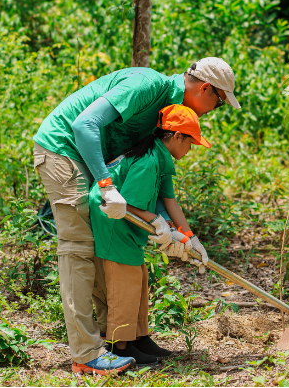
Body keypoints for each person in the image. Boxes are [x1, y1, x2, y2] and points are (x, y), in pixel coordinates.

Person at [33, 57, 240, 375]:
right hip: (64, 150)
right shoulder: (147, 85)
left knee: (102, 246)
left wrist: (180, 233)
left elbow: (145, 178)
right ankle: (86, 354)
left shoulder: (165, 115)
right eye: (220, 102)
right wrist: (106, 185)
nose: (215, 109)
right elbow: (82, 125)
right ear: (205, 88)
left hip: (92, 161)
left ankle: (117, 342)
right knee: (78, 250)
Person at [89, 104, 211, 366]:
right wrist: (156, 221)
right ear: (177, 137)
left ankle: (139, 338)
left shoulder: (161, 157)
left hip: (126, 220)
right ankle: (120, 347)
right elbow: (128, 203)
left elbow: (169, 200)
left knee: (140, 275)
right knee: (125, 279)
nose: (191, 150)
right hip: (112, 219)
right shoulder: (148, 161)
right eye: (191, 143)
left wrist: (189, 237)